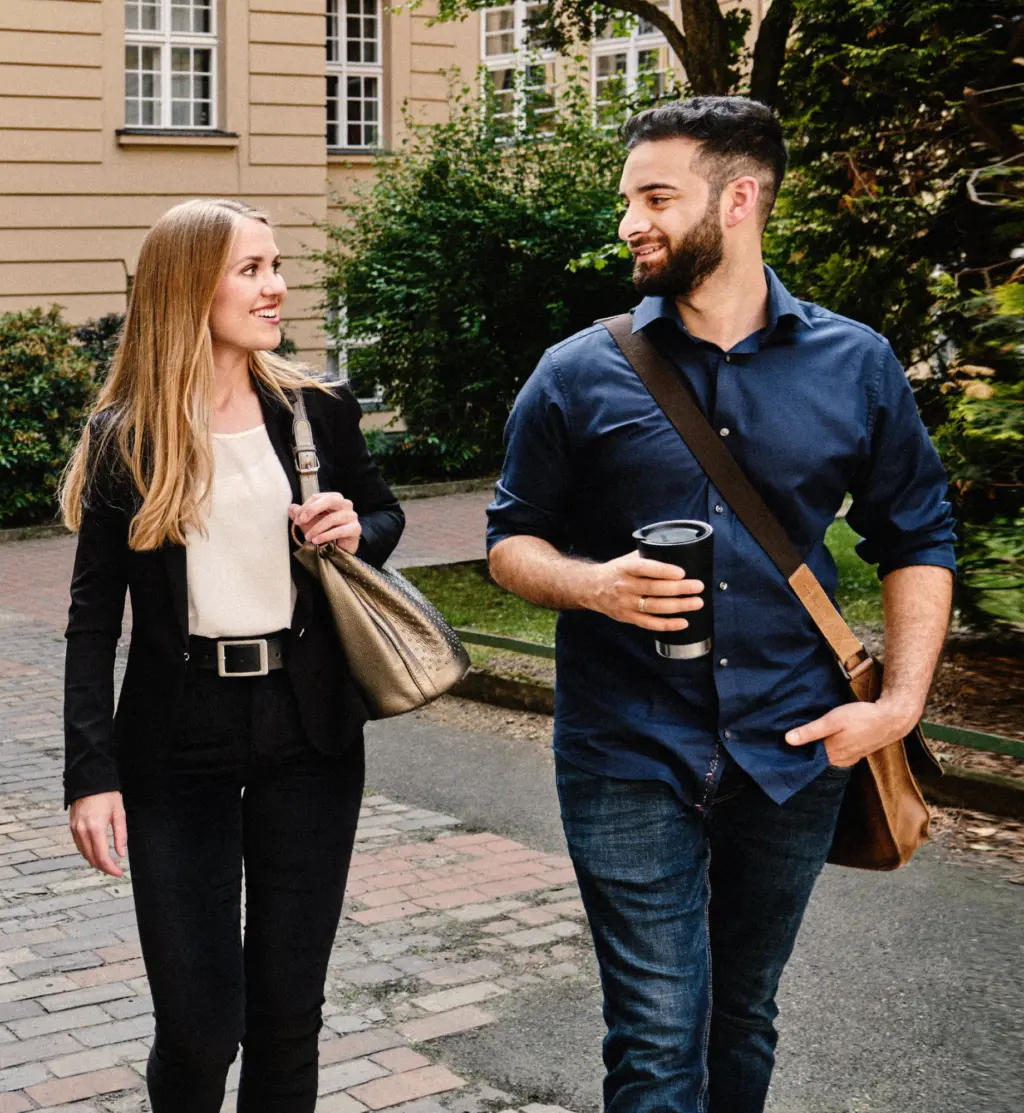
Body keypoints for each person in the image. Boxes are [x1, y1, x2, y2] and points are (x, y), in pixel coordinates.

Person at [486, 98, 956, 1113]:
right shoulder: (576, 371)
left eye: (656, 197)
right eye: (626, 199)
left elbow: (915, 537)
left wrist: (900, 704)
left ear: (739, 199)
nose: (628, 223)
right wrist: (590, 584)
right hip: (622, 745)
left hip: (797, 745)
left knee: (742, 1012)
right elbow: (508, 542)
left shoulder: (856, 363)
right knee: (657, 1034)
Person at [60, 198, 404, 1113]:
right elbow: (93, 623)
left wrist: (356, 527)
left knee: (290, 1013)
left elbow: (385, 513)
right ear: (189, 285)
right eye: (251, 269)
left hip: (309, 728)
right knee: (201, 1025)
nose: (276, 285)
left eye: (276, 265)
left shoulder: (316, 409)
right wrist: (89, 775)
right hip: (178, 742)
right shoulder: (126, 439)